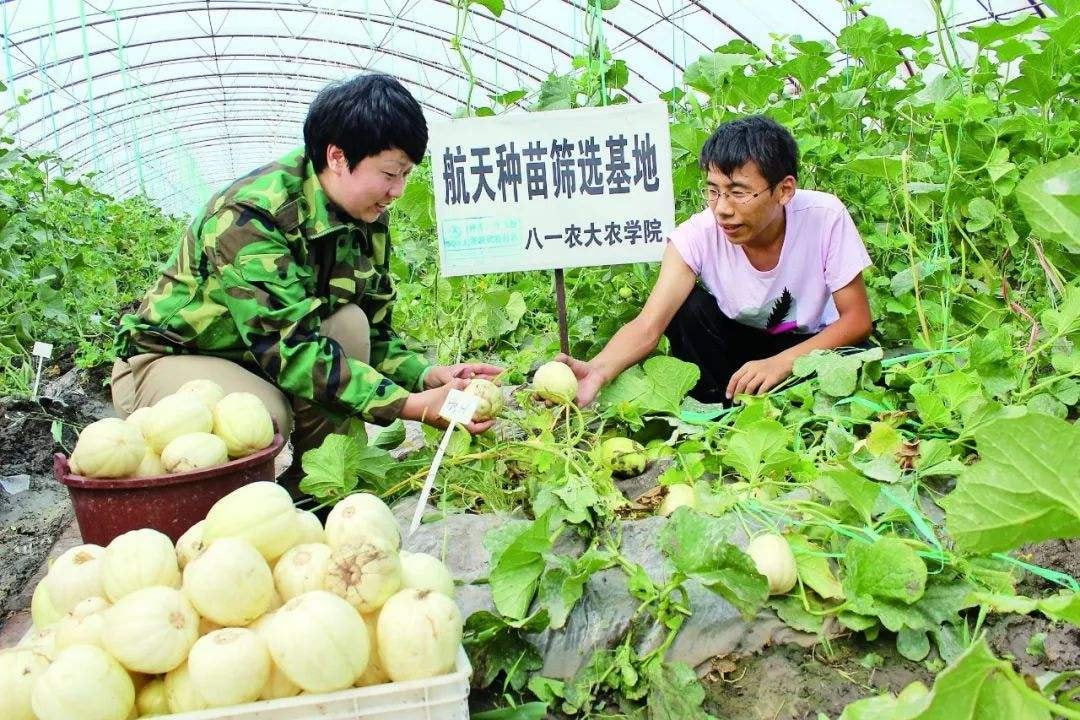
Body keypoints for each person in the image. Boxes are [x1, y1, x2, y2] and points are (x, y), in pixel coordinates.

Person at [111, 73, 501, 486]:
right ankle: (223, 519)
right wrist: (409, 404)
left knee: (350, 324)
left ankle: (314, 484)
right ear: (337, 156)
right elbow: (288, 349)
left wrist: (425, 376)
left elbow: (376, 331)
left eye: (406, 175)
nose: (399, 190)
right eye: (390, 174)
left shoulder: (364, 217)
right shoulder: (251, 216)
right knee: (259, 418)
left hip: (255, 358)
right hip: (170, 362)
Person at [558, 114, 873, 406]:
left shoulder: (823, 216)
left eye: (738, 192)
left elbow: (857, 320)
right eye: (713, 191)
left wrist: (783, 363)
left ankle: (770, 400)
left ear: (784, 190)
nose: (722, 208)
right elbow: (648, 325)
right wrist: (597, 370)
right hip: (740, 351)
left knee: (857, 360)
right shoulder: (697, 236)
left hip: (813, 346)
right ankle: (719, 407)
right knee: (685, 308)